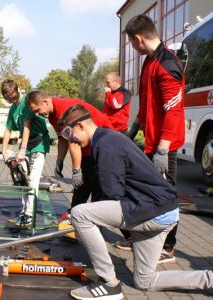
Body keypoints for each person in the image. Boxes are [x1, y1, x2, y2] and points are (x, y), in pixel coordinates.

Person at [57, 104, 213, 300]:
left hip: (152, 211)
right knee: (144, 281)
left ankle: (109, 284)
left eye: (69, 134)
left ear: (80, 126)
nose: (71, 140)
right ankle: (209, 280)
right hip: (163, 211)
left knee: (80, 213)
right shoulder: (108, 138)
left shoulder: (105, 145)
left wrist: (81, 218)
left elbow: (112, 194)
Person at [115, 14, 185, 264]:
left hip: (164, 146)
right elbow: (145, 105)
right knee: (138, 189)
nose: (134, 49)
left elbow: (173, 110)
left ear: (138, 39)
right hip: (150, 142)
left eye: (133, 45)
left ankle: (168, 247)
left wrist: (163, 150)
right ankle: (139, 236)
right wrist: (131, 133)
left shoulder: (168, 64)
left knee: (165, 195)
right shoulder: (149, 62)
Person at [25, 90, 113, 222]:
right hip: (87, 147)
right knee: (82, 186)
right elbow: (62, 138)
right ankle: (74, 216)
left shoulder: (65, 110)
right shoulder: (52, 116)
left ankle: (105, 226)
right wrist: (59, 160)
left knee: (97, 186)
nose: (37, 114)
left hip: (103, 143)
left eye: (37, 110)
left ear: (45, 101)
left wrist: (76, 170)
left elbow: (74, 143)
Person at [1, 80, 50, 227]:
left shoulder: (27, 102)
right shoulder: (13, 108)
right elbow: (8, 130)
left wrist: (21, 151)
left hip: (38, 143)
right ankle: (24, 212)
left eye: (15, 98)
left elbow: (27, 127)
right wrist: (3, 151)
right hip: (26, 145)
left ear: (18, 90)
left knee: (32, 180)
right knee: (22, 180)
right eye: (10, 100)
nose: (14, 102)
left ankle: (29, 215)